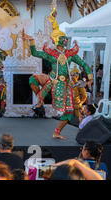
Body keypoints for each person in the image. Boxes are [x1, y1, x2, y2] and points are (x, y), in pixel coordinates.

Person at [26, 7, 93, 139]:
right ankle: (39, 101)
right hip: (52, 81)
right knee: (32, 79)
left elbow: (84, 64)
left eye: (65, 38)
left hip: (66, 85)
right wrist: (31, 41)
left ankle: (57, 132)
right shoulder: (52, 55)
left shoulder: (70, 54)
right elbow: (34, 53)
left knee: (69, 112)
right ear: (56, 40)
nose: (65, 40)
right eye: (62, 38)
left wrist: (90, 78)